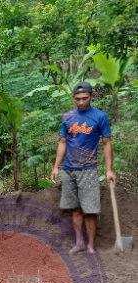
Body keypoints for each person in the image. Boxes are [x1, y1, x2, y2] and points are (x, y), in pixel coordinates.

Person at [52, 82, 115, 255]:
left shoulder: (100, 116)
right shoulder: (67, 117)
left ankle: (91, 245)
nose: (81, 102)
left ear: (91, 97)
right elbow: (63, 142)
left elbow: (107, 143)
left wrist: (109, 169)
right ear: (73, 98)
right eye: (78, 99)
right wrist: (56, 167)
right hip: (69, 169)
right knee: (75, 208)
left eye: (85, 98)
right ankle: (79, 242)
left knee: (90, 210)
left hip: (88, 169)